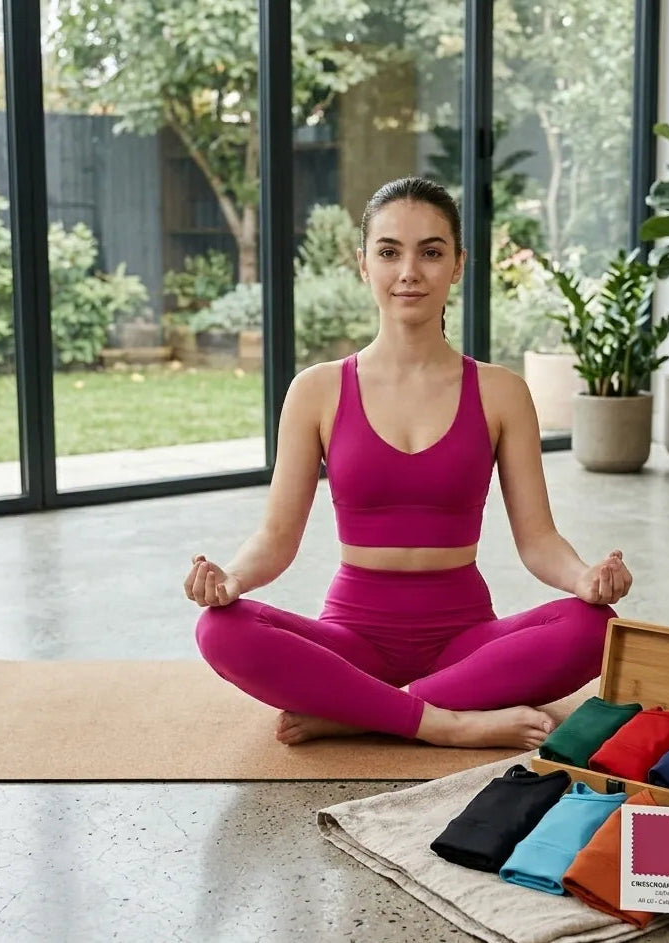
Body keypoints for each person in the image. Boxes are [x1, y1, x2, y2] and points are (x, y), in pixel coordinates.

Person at [185, 176, 632, 751]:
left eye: (431, 252)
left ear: (459, 265)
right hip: (352, 638)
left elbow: (539, 538)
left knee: (594, 629)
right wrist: (232, 580)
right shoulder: (316, 390)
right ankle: (447, 720)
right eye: (389, 251)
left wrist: (585, 579)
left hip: (465, 638)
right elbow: (276, 535)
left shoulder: (501, 392)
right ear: (363, 264)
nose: (409, 272)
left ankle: (357, 711)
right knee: (220, 630)